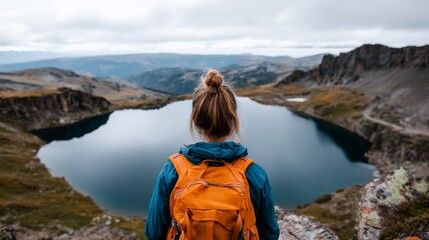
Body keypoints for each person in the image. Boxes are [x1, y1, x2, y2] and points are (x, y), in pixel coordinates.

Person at [145, 69, 280, 240]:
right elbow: (270, 233)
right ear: (233, 121)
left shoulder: (173, 170)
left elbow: (154, 231)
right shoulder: (253, 173)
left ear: (195, 120)